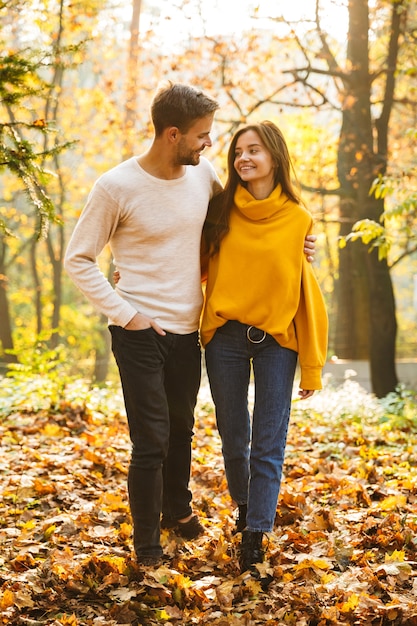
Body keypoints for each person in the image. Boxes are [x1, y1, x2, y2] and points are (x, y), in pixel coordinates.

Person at [65, 82, 317, 567]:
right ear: (173, 134)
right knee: (152, 438)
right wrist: (126, 312)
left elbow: (246, 224)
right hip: (138, 330)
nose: (209, 145)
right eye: (203, 136)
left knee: (182, 430)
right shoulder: (116, 186)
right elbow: (78, 259)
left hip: (190, 329)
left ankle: (176, 511)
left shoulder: (202, 181)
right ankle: (146, 545)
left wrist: (302, 245)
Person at [200, 121, 328, 577]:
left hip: (278, 342)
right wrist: (131, 278)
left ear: (274, 155)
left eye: (253, 150)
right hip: (226, 339)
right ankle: (244, 506)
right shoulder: (218, 211)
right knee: (234, 439)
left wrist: (311, 366)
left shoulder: (298, 219)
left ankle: (255, 534)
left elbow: (304, 291)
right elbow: (187, 262)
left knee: (268, 444)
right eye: (238, 152)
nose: (243, 159)